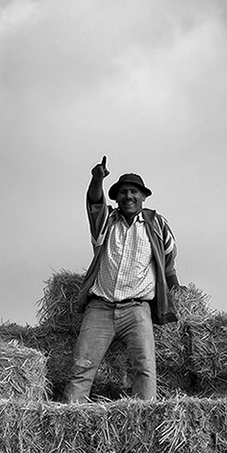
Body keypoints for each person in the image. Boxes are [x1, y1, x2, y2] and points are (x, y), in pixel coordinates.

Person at [66, 158, 180, 402]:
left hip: (137, 309)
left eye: (134, 192)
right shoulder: (105, 221)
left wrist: (176, 291)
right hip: (100, 307)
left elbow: (168, 259)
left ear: (143, 197)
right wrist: (97, 179)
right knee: (82, 367)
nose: (129, 196)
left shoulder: (157, 224)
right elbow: (94, 202)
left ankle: (145, 417)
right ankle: (71, 415)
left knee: (145, 369)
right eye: (123, 192)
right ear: (116, 198)